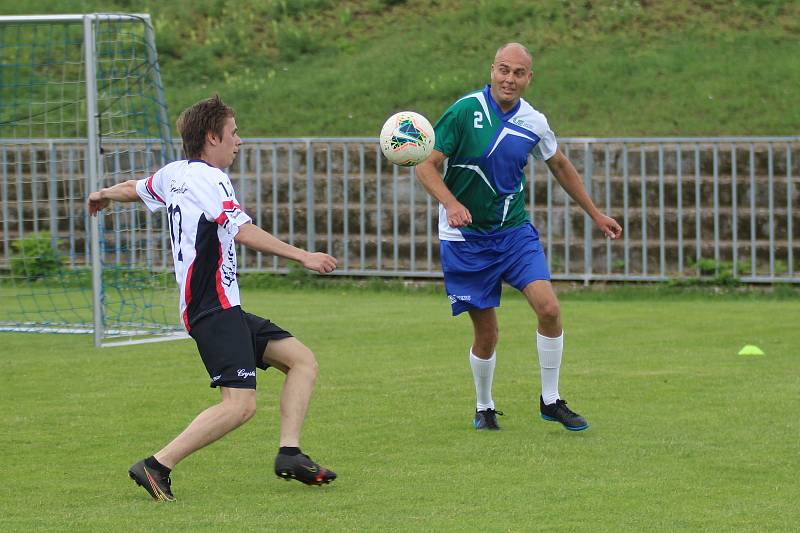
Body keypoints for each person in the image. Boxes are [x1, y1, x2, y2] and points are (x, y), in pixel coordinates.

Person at [88, 95, 338, 501]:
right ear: (211, 136)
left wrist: (103, 193)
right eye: (234, 133)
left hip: (221, 306)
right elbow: (240, 229)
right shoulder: (211, 178)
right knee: (239, 405)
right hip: (211, 306)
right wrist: (302, 255)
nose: (239, 141)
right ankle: (156, 465)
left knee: (301, 360)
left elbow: (137, 187)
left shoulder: (174, 174)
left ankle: (290, 454)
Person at [415, 43, 621, 432]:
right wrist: (452, 203)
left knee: (549, 309)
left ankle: (551, 400)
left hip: (513, 233)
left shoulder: (534, 122)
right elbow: (425, 166)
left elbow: (559, 164)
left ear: (530, 78)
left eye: (518, 73)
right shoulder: (464, 111)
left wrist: (595, 213)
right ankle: (484, 405)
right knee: (488, 333)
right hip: (466, 240)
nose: (509, 79)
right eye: (503, 70)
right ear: (492, 70)